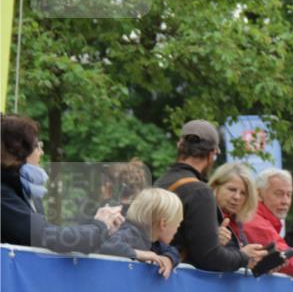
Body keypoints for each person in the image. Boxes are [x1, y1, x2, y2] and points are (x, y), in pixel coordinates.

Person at [154, 120, 265, 271]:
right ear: (212, 154)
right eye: (232, 190)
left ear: (180, 145)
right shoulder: (200, 192)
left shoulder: (160, 182)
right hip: (180, 286)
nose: (237, 197)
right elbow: (210, 257)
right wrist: (243, 256)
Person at [2, 114, 123, 251]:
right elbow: (47, 236)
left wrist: (102, 230)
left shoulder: (27, 192)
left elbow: (54, 235)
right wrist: (99, 227)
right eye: (37, 146)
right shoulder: (4, 192)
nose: (41, 152)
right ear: (17, 152)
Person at [242, 169, 293, 280]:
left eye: (289, 195)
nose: (285, 201)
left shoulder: (261, 220)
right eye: (279, 194)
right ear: (258, 194)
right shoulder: (254, 221)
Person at [98, 188, 182, 279]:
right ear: (164, 224)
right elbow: (108, 245)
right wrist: (140, 254)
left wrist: (168, 259)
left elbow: (173, 251)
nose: (177, 229)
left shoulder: (153, 241)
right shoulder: (131, 233)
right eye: (177, 224)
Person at [208, 162, 257, 251]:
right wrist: (211, 242)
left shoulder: (236, 221)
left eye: (243, 193)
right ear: (215, 186)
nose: (237, 197)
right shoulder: (203, 216)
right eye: (232, 189)